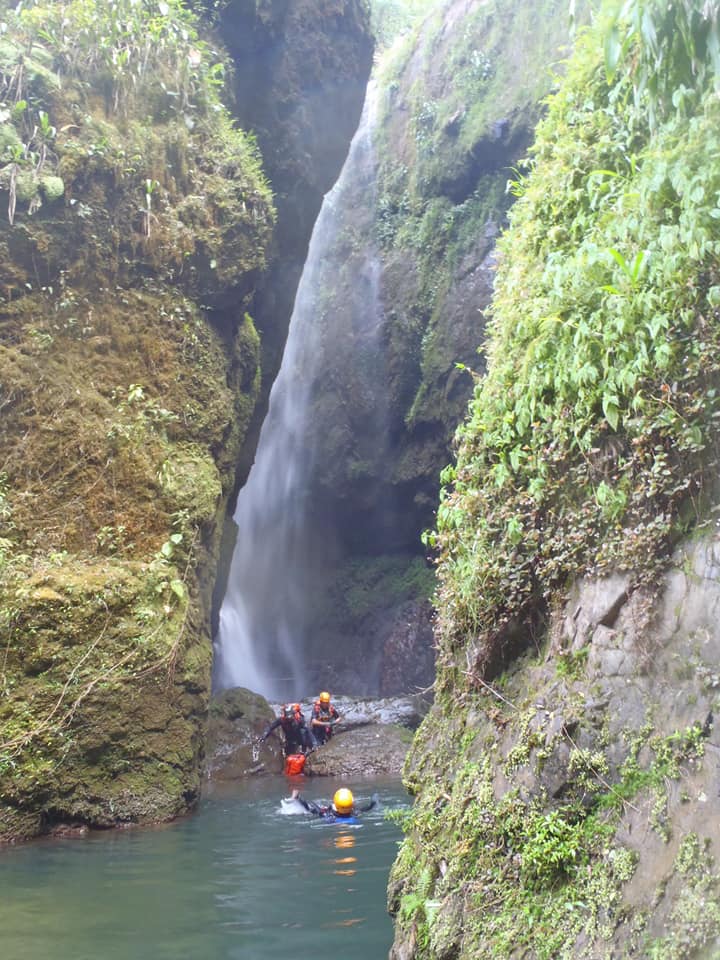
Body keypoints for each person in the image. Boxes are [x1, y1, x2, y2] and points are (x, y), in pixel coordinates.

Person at [290, 787, 378, 824]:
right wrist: (373, 803)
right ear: (352, 803)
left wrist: (299, 798)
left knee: (312, 808)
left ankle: (296, 797)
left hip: (328, 818)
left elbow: (310, 807)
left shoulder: (327, 814)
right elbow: (367, 808)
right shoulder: (355, 813)